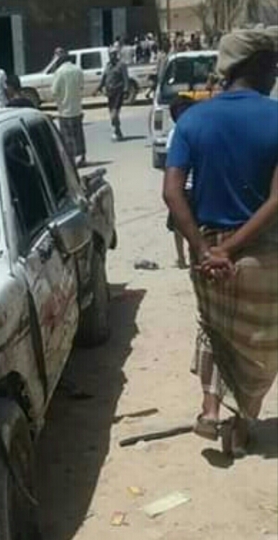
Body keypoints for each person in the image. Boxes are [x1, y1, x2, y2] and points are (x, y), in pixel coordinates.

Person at [163, 28, 278, 458]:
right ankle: (240, 423)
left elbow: (172, 193)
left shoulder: (193, 120)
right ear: (256, 66)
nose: (276, 74)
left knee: (213, 328)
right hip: (264, 249)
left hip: (207, 248)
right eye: (273, 65)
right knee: (261, 344)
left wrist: (203, 248)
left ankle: (211, 411)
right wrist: (231, 250)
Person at [165, 96, 196, 268]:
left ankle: (186, 256)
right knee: (181, 225)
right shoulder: (176, 134)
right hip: (185, 187)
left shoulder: (177, 133)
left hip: (188, 186)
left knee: (184, 224)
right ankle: (182, 257)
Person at [52, 50, 86, 167]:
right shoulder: (78, 70)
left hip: (64, 110)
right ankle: (81, 156)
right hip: (77, 108)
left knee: (67, 136)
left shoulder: (59, 72)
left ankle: (71, 159)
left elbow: (54, 91)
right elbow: (81, 86)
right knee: (78, 135)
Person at [94, 48, 129, 141]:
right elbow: (104, 78)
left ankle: (116, 130)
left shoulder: (121, 65)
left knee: (114, 114)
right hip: (110, 93)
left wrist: (126, 90)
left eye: (113, 54)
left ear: (116, 54)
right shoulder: (108, 65)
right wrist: (98, 88)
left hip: (118, 92)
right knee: (111, 114)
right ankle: (117, 130)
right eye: (110, 54)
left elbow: (126, 78)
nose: (112, 56)